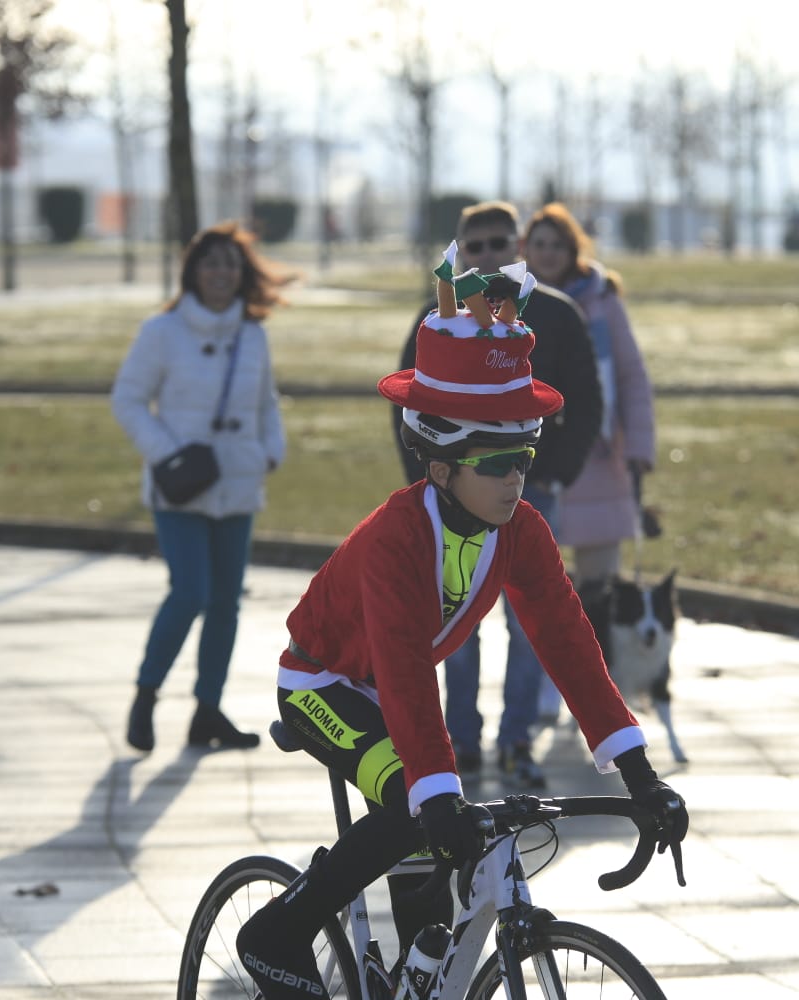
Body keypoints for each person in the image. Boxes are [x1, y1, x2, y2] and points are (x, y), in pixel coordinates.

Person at [235, 262, 687, 1000]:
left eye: (527, 455)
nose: (518, 478)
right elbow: (405, 666)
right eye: (500, 461)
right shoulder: (395, 539)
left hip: (393, 692)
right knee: (418, 799)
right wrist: (438, 792)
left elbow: (571, 646)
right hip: (323, 682)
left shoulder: (522, 529)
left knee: (435, 870)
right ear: (441, 465)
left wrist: (639, 773)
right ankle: (279, 930)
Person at [390, 200, 602, 788]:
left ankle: (517, 740)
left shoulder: (555, 316)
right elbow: (410, 403)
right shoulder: (436, 324)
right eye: (473, 246)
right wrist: (432, 479)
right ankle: (460, 738)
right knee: (455, 619)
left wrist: (550, 471)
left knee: (530, 621)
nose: (486, 256)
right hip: (453, 497)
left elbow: (583, 403)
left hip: (530, 492)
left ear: (518, 247)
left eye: (497, 244)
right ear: (461, 250)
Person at [110, 222, 291, 753]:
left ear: (242, 274)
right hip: (181, 486)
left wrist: (271, 451)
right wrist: (169, 454)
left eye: (230, 264)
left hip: (237, 480)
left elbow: (266, 403)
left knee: (227, 602)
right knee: (190, 592)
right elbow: (127, 399)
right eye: (210, 263)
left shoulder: (253, 333)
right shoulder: (161, 332)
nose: (221, 273)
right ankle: (146, 694)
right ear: (192, 270)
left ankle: (208, 711)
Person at [522, 203, 657, 721]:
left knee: (597, 594)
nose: (549, 254)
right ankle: (543, 690)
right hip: (539, 461)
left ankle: (598, 695)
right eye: (540, 245)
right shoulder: (512, 302)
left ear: (572, 250)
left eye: (558, 245)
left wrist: (641, 447)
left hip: (599, 460)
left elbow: (631, 377)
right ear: (526, 252)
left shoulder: (603, 302)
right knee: (543, 594)